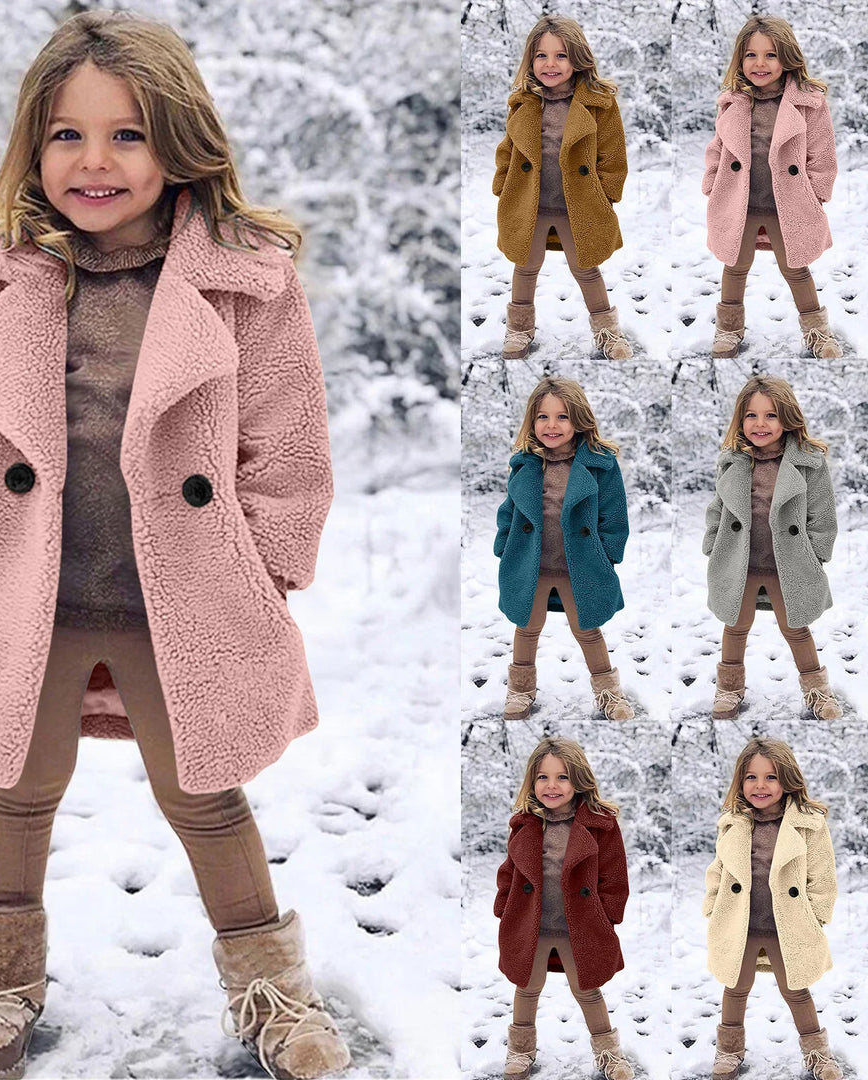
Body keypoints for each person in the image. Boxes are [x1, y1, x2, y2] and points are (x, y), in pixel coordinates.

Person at [0, 11, 348, 1079]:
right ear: (34, 146)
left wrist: (271, 559)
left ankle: (273, 989)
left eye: (127, 135)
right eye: (67, 136)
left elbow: (285, 434)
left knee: (203, 787)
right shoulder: (8, 277)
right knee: (18, 780)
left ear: (179, 142)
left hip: (182, 593)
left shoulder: (244, 280)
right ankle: (0, 981)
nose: (95, 162)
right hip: (34, 582)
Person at [493, 14, 632, 361]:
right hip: (530, 201)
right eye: (542, 55)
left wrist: (607, 192)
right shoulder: (523, 102)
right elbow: (508, 148)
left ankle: (607, 331)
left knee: (585, 266)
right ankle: (520, 329)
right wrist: (502, 183)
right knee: (525, 265)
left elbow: (612, 152)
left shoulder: (598, 103)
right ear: (531, 60)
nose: (550, 64)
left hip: (578, 204)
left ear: (577, 59)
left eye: (561, 55)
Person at [494, 737, 634, 1079]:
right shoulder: (525, 823)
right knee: (527, 986)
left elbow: (614, 873)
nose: (552, 786)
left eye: (562, 777)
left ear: (579, 781)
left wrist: (608, 914)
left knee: (587, 989)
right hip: (532, 923)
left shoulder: (600, 824)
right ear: (532, 781)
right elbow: (510, 870)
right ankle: (520, 1051)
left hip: (580, 926)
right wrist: (504, 904)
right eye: (543, 777)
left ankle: (610, 1054)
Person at [494, 377, 633, 721]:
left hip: (580, 565)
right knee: (527, 626)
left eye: (562, 417)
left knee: (587, 628)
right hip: (531, 563)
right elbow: (509, 510)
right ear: (532, 421)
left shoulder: (600, 464)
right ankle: (521, 690)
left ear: (579, 420)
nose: (552, 426)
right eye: (543, 417)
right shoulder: (524, 463)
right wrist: (504, 546)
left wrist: (607, 554)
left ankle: (609, 693)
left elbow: (614, 513)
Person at [703, 375, 840, 720]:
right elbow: (718, 506)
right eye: (751, 415)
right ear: (740, 419)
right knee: (735, 624)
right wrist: (712, 542)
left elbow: (822, 512)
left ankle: (818, 691)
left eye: (771, 415)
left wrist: (817, 552)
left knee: (795, 627)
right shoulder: (732, 460)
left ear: (787, 419)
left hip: (788, 562)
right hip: (740, 560)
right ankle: (730, 688)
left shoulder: (809, 462)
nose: (760, 424)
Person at [703, 14, 841, 359]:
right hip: (740, 199)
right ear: (740, 59)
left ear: (787, 58)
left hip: (788, 202)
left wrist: (817, 190)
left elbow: (822, 149)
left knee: (795, 266)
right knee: (735, 264)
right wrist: (712, 179)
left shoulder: (808, 102)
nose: (760, 63)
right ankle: (729, 329)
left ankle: (817, 332)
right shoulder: (732, 100)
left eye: (770, 55)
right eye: (751, 55)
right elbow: (718, 145)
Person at [704, 738, 842, 1080]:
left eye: (771, 777)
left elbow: (822, 873)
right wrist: (713, 903)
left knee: (795, 988)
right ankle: (729, 1051)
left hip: (788, 924)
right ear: (740, 781)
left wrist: (816, 914)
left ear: (788, 780)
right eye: (751, 777)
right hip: (741, 922)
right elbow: (719, 867)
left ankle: (818, 1054)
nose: (760, 786)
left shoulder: (808, 823)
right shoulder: (733, 821)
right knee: (735, 987)